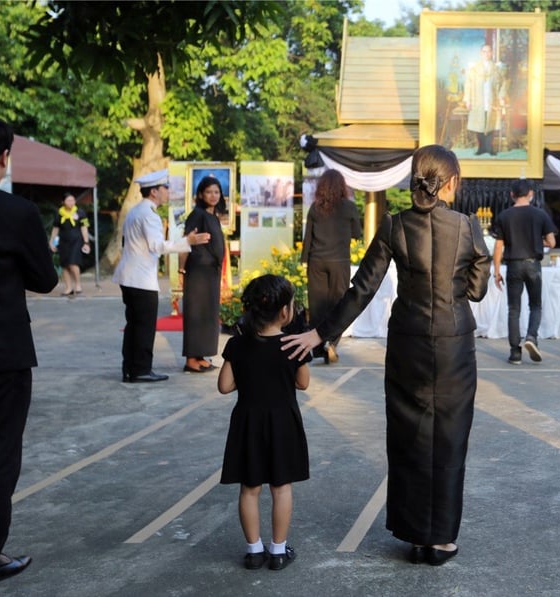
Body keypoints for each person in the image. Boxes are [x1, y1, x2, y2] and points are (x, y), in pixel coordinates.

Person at [281, 144, 490, 566]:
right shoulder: (468, 227)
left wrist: (321, 333)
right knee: (449, 440)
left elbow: (362, 288)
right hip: (453, 345)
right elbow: (476, 289)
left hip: (408, 343)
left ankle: (415, 536)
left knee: (409, 437)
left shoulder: (394, 225)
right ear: (450, 182)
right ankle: (442, 539)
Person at [0, 119, 59, 581]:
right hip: (4, 353)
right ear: (2, 159)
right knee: (1, 453)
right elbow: (46, 279)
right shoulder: (16, 214)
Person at [218, 274, 311, 571]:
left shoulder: (237, 344)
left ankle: (254, 550)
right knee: (281, 488)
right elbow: (304, 383)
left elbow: (224, 386)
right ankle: (278, 551)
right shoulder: (293, 345)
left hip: (247, 423)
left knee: (249, 488)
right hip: (283, 424)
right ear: (285, 312)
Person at [112, 169, 210, 383]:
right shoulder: (149, 215)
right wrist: (187, 242)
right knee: (144, 327)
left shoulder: (137, 211)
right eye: (165, 188)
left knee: (134, 326)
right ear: (154, 192)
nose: (168, 192)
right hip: (140, 279)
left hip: (130, 277)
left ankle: (130, 368)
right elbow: (157, 246)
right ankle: (140, 370)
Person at [300, 169, 362, 364]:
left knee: (317, 306)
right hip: (339, 262)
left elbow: (307, 237)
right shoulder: (350, 208)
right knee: (339, 304)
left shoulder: (315, 208)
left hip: (316, 261)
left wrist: (304, 261)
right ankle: (331, 343)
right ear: (341, 187)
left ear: (322, 187)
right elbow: (357, 234)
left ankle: (319, 347)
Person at [491, 179, 556, 364]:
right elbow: (551, 242)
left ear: (512, 195)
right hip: (533, 264)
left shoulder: (505, 216)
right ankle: (531, 337)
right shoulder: (540, 214)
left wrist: (496, 271)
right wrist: (536, 241)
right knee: (535, 305)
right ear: (531, 194)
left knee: (514, 309)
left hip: (513, 266)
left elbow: (498, 246)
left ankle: (515, 352)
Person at [179, 176, 227, 373]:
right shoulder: (196, 215)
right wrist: (181, 269)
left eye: (216, 192)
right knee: (196, 314)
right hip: (198, 272)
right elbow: (185, 243)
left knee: (208, 314)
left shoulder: (213, 216)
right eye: (209, 192)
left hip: (210, 273)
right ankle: (191, 358)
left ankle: (201, 355)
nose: (213, 196)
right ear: (200, 194)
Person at [463, 43, 507, 156]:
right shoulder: (474, 69)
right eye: (484, 51)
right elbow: (468, 85)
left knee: (491, 123)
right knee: (480, 124)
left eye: (489, 51)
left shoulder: (497, 69)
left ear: (491, 53)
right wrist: (467, 100)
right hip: (478, 100)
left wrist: (501, 96)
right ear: (480, 53)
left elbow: (503, 83)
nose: (486, 54)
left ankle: (490, 148)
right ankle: (481, 148)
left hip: (492, 100)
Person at [49, 192, 91, 297]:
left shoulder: (81, 213)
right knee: (64, 265)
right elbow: (55, 229)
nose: (71, 202)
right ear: (63, 202)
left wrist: (86, 242)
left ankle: (78, 285)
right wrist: (52, 242)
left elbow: (84, 228)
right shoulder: (59, 214)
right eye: (69, 200)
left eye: (73, 200)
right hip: (63, 242)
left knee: (73, 263)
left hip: (76, 242)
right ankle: (68, 288)